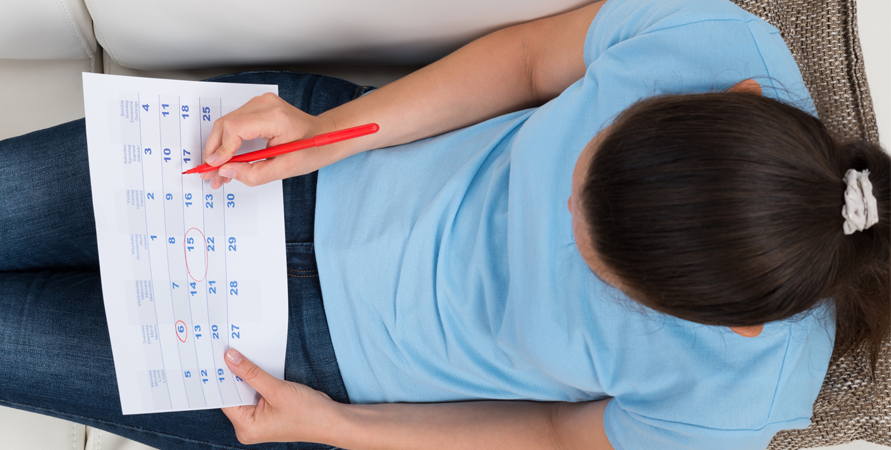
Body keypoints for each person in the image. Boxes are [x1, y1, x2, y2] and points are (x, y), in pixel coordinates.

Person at [1, 0, 889, 449]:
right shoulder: (718, 47)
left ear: (730, 323)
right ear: (724, 102)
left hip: (311, 368)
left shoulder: (736, 397)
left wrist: (336, 430)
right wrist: (324, 136)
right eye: (582, 177)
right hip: (303, 172)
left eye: (591, 259)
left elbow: (548, 439)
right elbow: (521, 60)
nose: (561, 209)